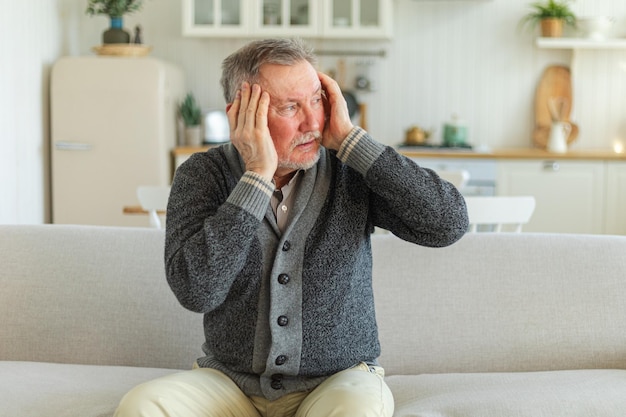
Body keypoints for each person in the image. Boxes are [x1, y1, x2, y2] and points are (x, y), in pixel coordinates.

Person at [114, 37, 468, 417]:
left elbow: (448, 224)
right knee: (142, 406)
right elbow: (196, 291)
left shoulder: (349, 169)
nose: (313, 122)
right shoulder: (202, 175)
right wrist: (256, 177)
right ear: (241, 114)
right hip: (230, 383)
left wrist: (351, 140)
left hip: (338, 381)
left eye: (316, 99)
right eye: (290, 107)